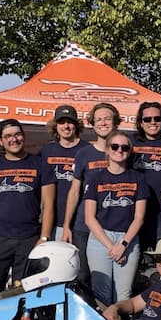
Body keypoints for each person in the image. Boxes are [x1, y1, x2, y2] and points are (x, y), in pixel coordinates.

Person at [0, 119, 55, 299]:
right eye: (8, 136)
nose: (14, 139)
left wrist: (44, 237)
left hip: (29, 238)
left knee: (25, 293)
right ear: (0, 141)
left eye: (17, 134)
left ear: (24, 136)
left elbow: (49, 204)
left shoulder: (40, 164)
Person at [83, 130, 147, 305]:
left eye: (125, 147)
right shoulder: (95, 177)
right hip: (100, 239)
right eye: (115, 146)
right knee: (101, 294)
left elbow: (139, 217)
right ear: (107, 149)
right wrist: (111, 246)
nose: (120, 150)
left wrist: (123, 244)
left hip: (128, 239)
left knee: (123, 295)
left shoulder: (138, 178)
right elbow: (89, 218)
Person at [62, 102, 120, 286]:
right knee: (83, 277)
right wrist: (66, 225)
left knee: (112, 282)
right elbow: (74, 191)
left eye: (107, 119)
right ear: (92, 124)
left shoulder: (124, 150)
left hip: (115, 227)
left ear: (116, 123)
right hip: (84, 227)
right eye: (99, 119)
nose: (103, 123)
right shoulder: (83, 154)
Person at [131, 101, 161, 251]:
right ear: (140, 122)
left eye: (157, 118)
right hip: (136, 209)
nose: (152, 122)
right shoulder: (130, 142)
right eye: (147, 119)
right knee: (136, 255)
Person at [39, 105, 90, 241]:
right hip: (52, 221)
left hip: (80, 222)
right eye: (62, 122)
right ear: (55, 126)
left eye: (70, 122)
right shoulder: (46, 151)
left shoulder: (87, 150)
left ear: (76, 125)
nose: (66, 126)